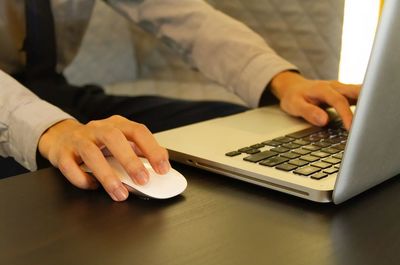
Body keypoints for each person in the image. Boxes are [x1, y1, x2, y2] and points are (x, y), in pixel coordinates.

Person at [0, 0, 360, 201]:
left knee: (236, 129)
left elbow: (182, 16)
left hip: (57, 90)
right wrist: (51, 130)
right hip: (11, 113)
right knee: (72, 182)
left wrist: (282, 81)